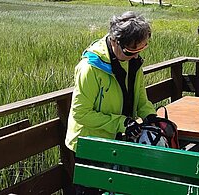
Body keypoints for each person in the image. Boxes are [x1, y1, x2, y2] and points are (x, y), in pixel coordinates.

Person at [65, 11, 157, 194]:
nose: (136, 55)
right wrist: (122, 123)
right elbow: (80, 114)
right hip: (89, 145)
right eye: (131, 50)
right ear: (115, 41)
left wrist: (151, 116)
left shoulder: (133, 61)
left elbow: (139, 96)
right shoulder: (90, 67)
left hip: (116, 141)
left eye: (142, 49)